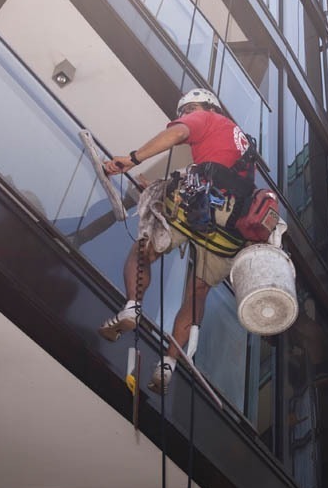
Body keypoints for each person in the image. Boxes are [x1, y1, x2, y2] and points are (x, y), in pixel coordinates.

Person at [99, 88, 254, 392]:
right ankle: (169, 363)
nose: (182, 117)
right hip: (232, 226)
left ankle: (132, 307)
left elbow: (177, 134)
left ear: (200, 106)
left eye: (185, 110)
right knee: (198, 292)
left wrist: (132, 159)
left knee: (143, 251)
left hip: (199, 205)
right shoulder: (242, 140)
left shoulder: (205, 117)